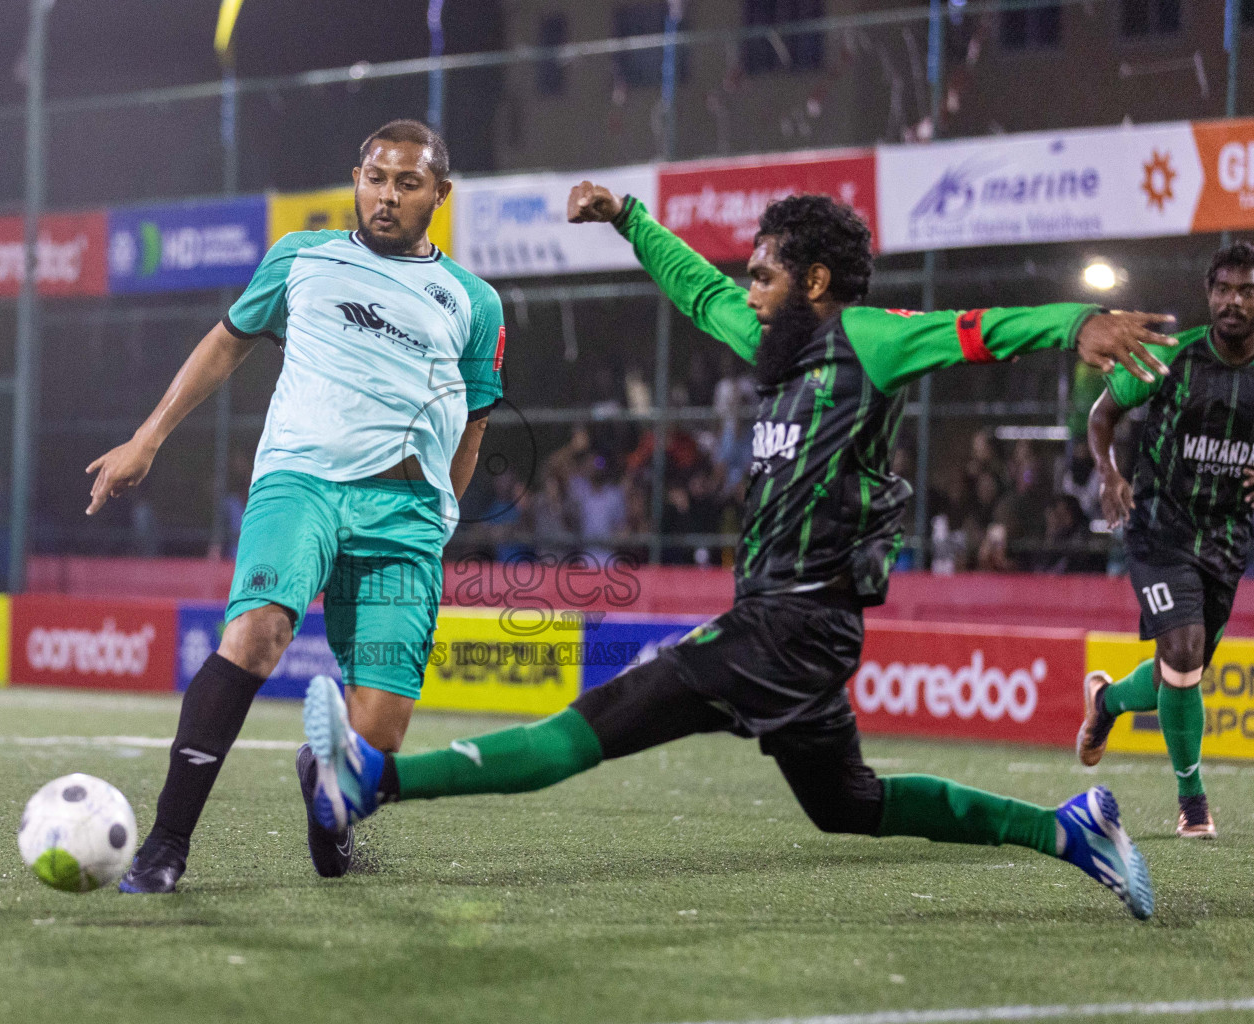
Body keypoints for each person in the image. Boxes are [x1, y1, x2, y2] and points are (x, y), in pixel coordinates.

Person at [302, 186, 1181, 921]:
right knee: (848, 805)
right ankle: (1071, 829)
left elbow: (980, 327)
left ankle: (372, 781)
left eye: (764, 275)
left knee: (594, 724)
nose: (749, 291)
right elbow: (696, 292)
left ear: (818, 280)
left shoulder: (869, 340)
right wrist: (627, 218)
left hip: (792, 622)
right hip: (793, 627)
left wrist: (1077, 325)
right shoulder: (774, 344)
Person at [86, 119, 504, 890]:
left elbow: (472, 425)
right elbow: (224, 342)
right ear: (356, 178)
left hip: (406, 516)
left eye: (408, 183)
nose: (386, 196)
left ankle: (324, 777)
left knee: (378, 733)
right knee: (257, 633)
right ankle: (166, 846)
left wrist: (446, 510)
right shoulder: (301, 258)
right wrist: (148, 438)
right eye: (375, 178)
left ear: (439, 195)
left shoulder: (475, 303)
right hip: (300, 482)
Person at [1076, 242, 1254, 840]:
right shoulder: (1173, 356)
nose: (1234, 301)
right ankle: (1193, 801)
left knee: (1181, 668)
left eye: (1247, 291)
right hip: (1159, 527)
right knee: (1183, 652)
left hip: (1228, 539)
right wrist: (1109, 475)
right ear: (1209, 293)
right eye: (1224, 289)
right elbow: (1103, 414)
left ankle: (1106, 703)